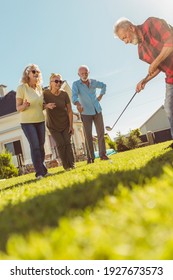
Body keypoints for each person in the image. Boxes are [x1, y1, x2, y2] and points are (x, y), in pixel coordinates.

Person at [113, 16, 173, 137]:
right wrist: (145, 80)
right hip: (170, 76)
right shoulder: (141, 53)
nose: (125, 42)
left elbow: (170, 42)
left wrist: (155, 62)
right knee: (169, 107)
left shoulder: (151, 23)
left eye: (125, 37)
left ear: (131, 28)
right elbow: (158, 68)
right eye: (122, 40)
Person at [16, 64, 55, 179]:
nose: (36, 73)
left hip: (40, 120)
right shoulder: (22, 88)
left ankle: (43, 170)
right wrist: (24, 105)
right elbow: (18, 108)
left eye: (38, 71)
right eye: (33, 71)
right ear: (27, 74)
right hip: (27, 122)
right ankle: (39, 173)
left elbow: (39, 105)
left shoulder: (39, 88)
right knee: (35, 146)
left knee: (41, 146)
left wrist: (46, 105)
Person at [72, 65, 109, 164]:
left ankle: (103, 155)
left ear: (89, 72)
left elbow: (104, 85)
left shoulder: (93, 82)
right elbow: (74, 97)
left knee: (101, 133)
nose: (84, 75)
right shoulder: (76, 84)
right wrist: (78, 104)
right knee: (88, 135)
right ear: (78, 74)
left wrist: (101, 95)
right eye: (82, 74)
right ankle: (90, 158)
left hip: (97, 110)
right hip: (85, 112)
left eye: (86, 73)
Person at [43, 73, 75, 171]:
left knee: (67, 143)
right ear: (51, 83)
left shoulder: (64, 94)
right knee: (61, 144)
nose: (58, 83)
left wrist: (71, 125)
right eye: (56, 81)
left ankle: (72, 165)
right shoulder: (45, 94)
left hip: (65, 124)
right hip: (53, 126)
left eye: (60, 81)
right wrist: (46, 105)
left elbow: (69, 110)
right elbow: (39, 106)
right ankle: (66, 166)